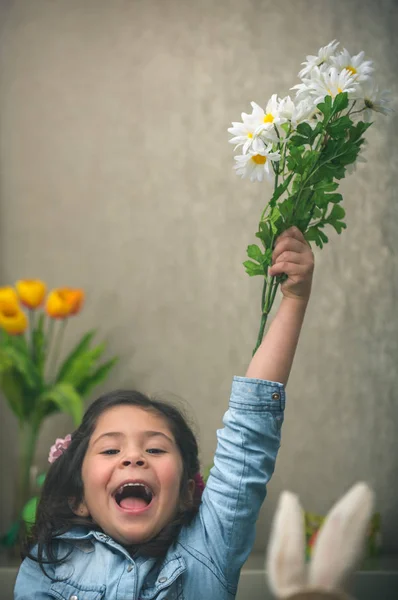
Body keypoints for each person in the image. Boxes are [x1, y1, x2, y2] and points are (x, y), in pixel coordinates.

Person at [14, 226, 314, 600]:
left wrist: (295, 299)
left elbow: (248, 437)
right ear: (79, 497)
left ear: (189, 493)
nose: (133, 457)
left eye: (155, 449)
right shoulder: (48, 565)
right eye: (110, 450)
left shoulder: (209, 550)